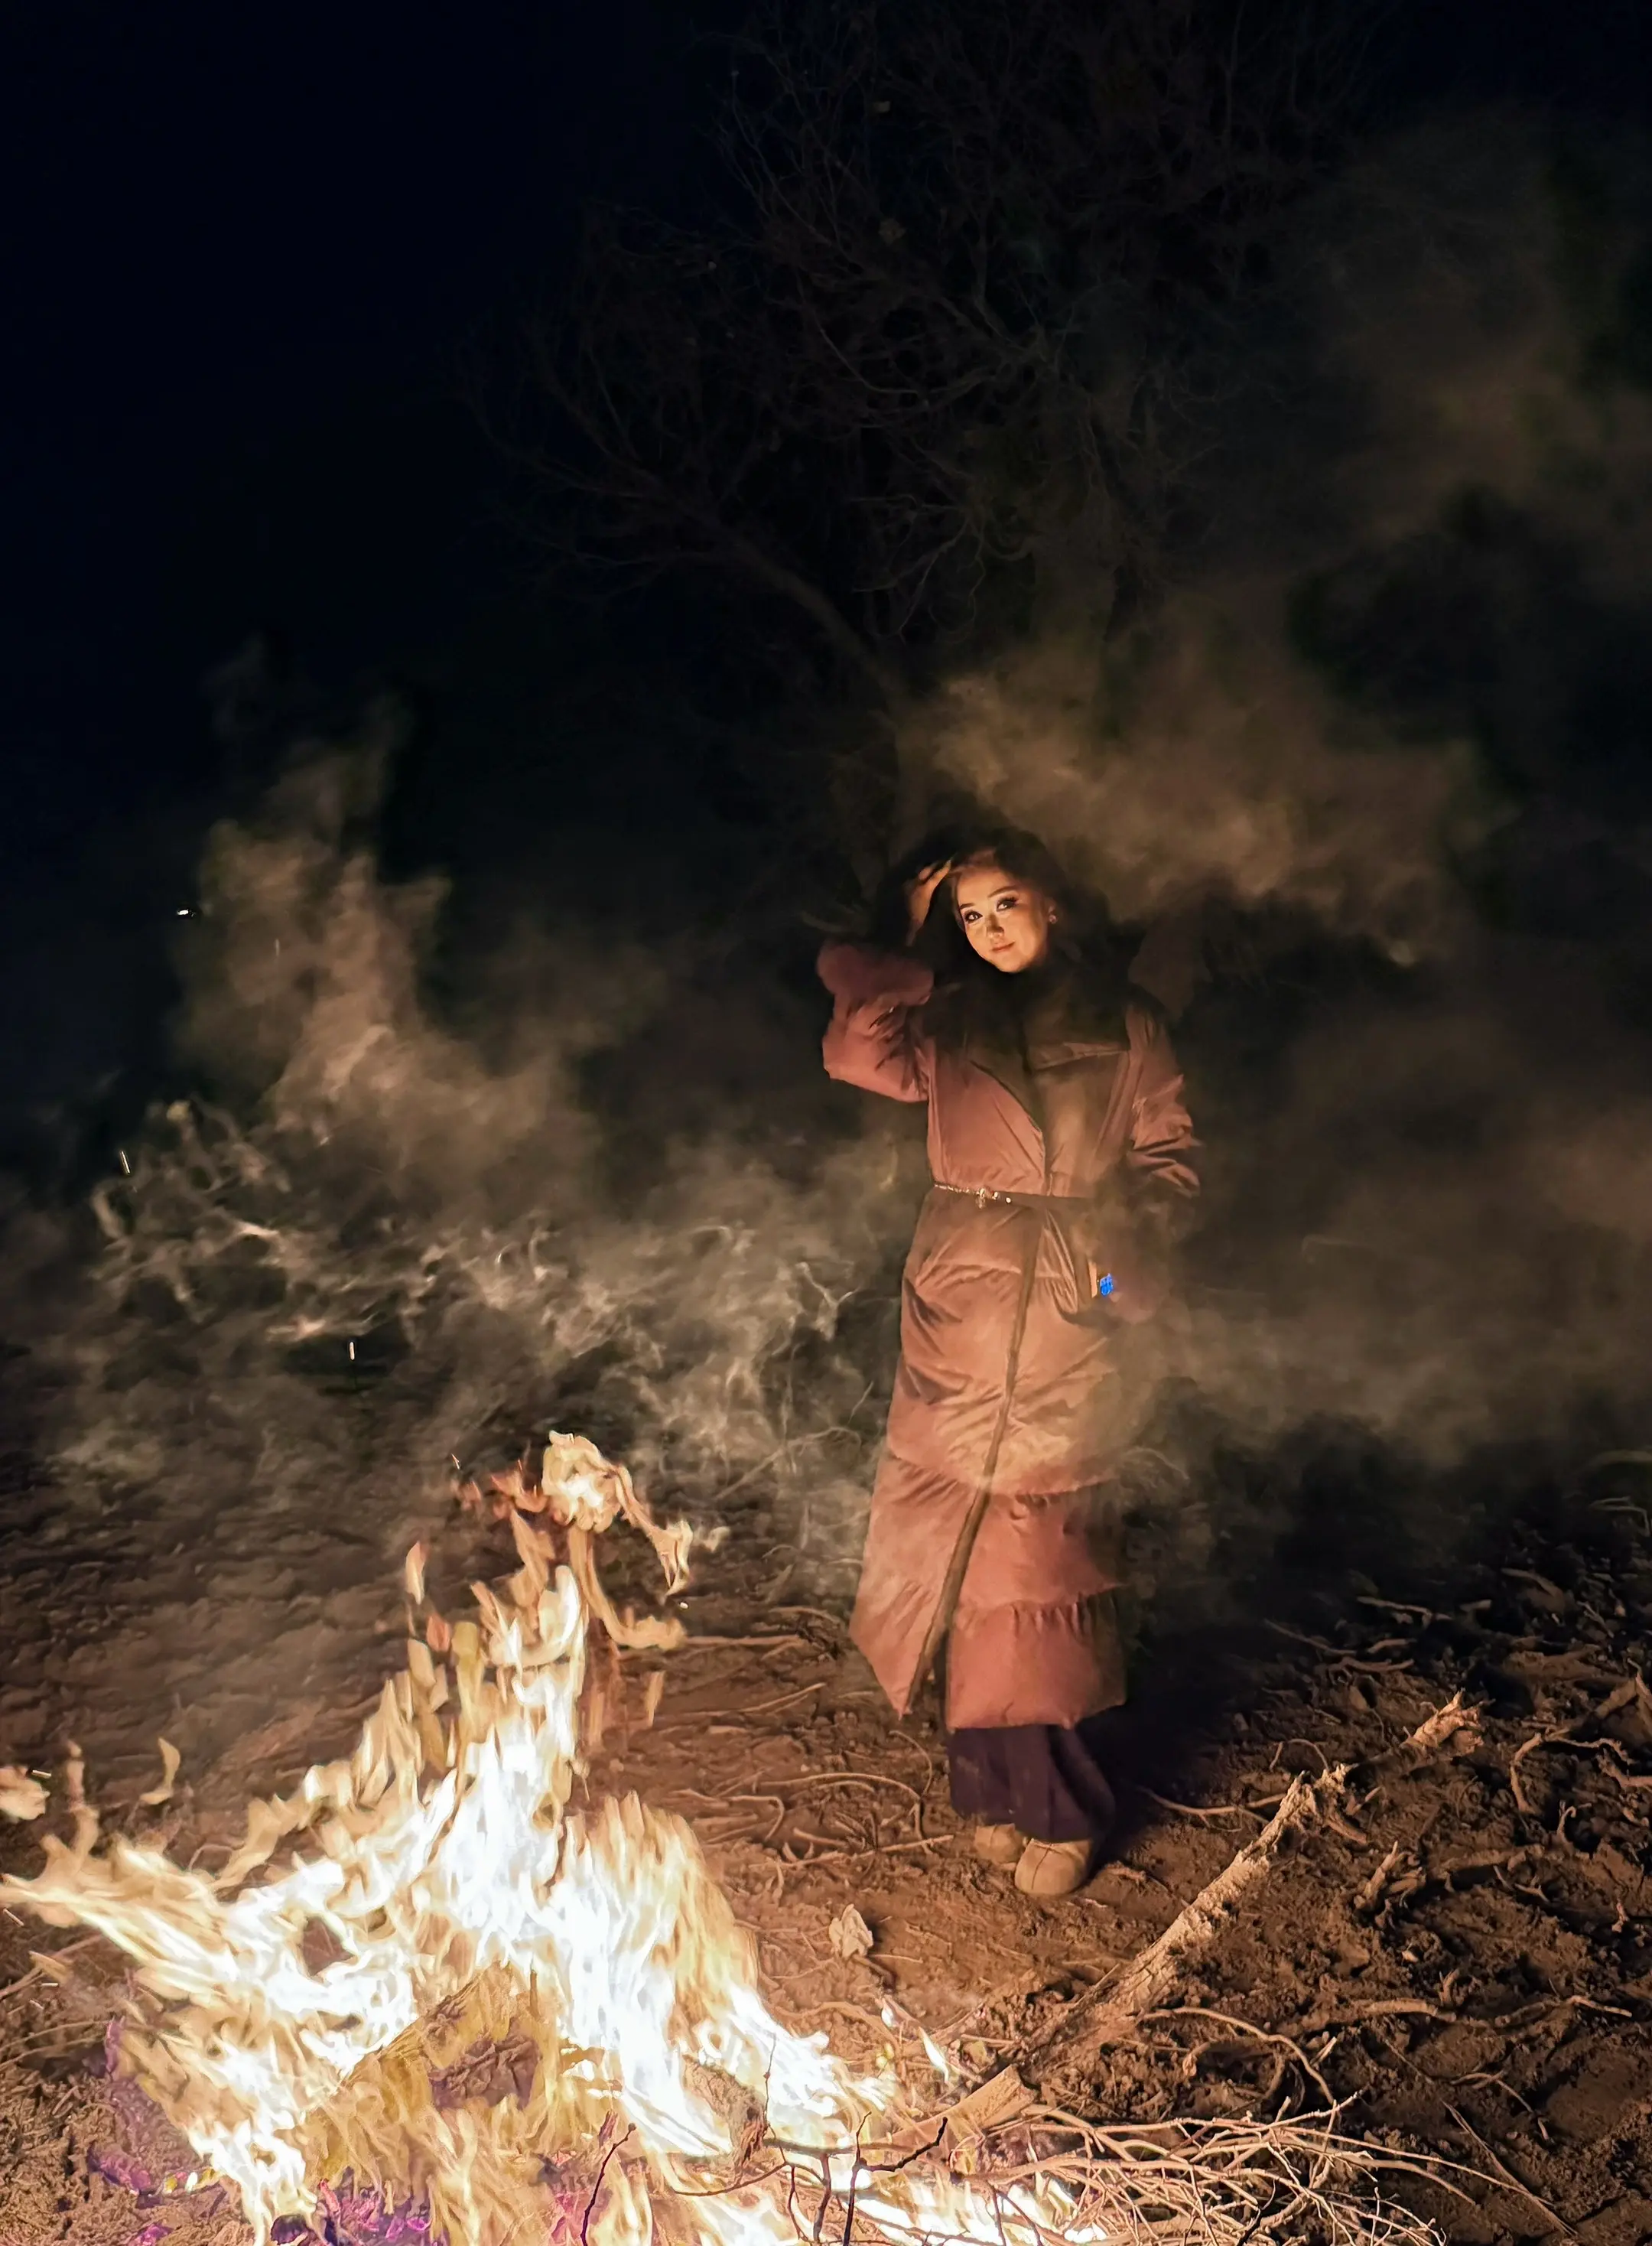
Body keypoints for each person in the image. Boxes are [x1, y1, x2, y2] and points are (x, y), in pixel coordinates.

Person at [818, 828, 1198, 1896]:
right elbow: (856, 1054)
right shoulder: (947, 1015)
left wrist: (1114, 1279)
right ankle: (988, 1788)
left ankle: (1066, 1807)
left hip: (1081, 1295)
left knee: (1039, 1555)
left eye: (1007, 907)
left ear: (1055, 905)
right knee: (955, 1542)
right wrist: (898, 940)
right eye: (970, 916)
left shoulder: (1130, 1022)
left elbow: (1171, 1161)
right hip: (959, 1297)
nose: (989, 932)